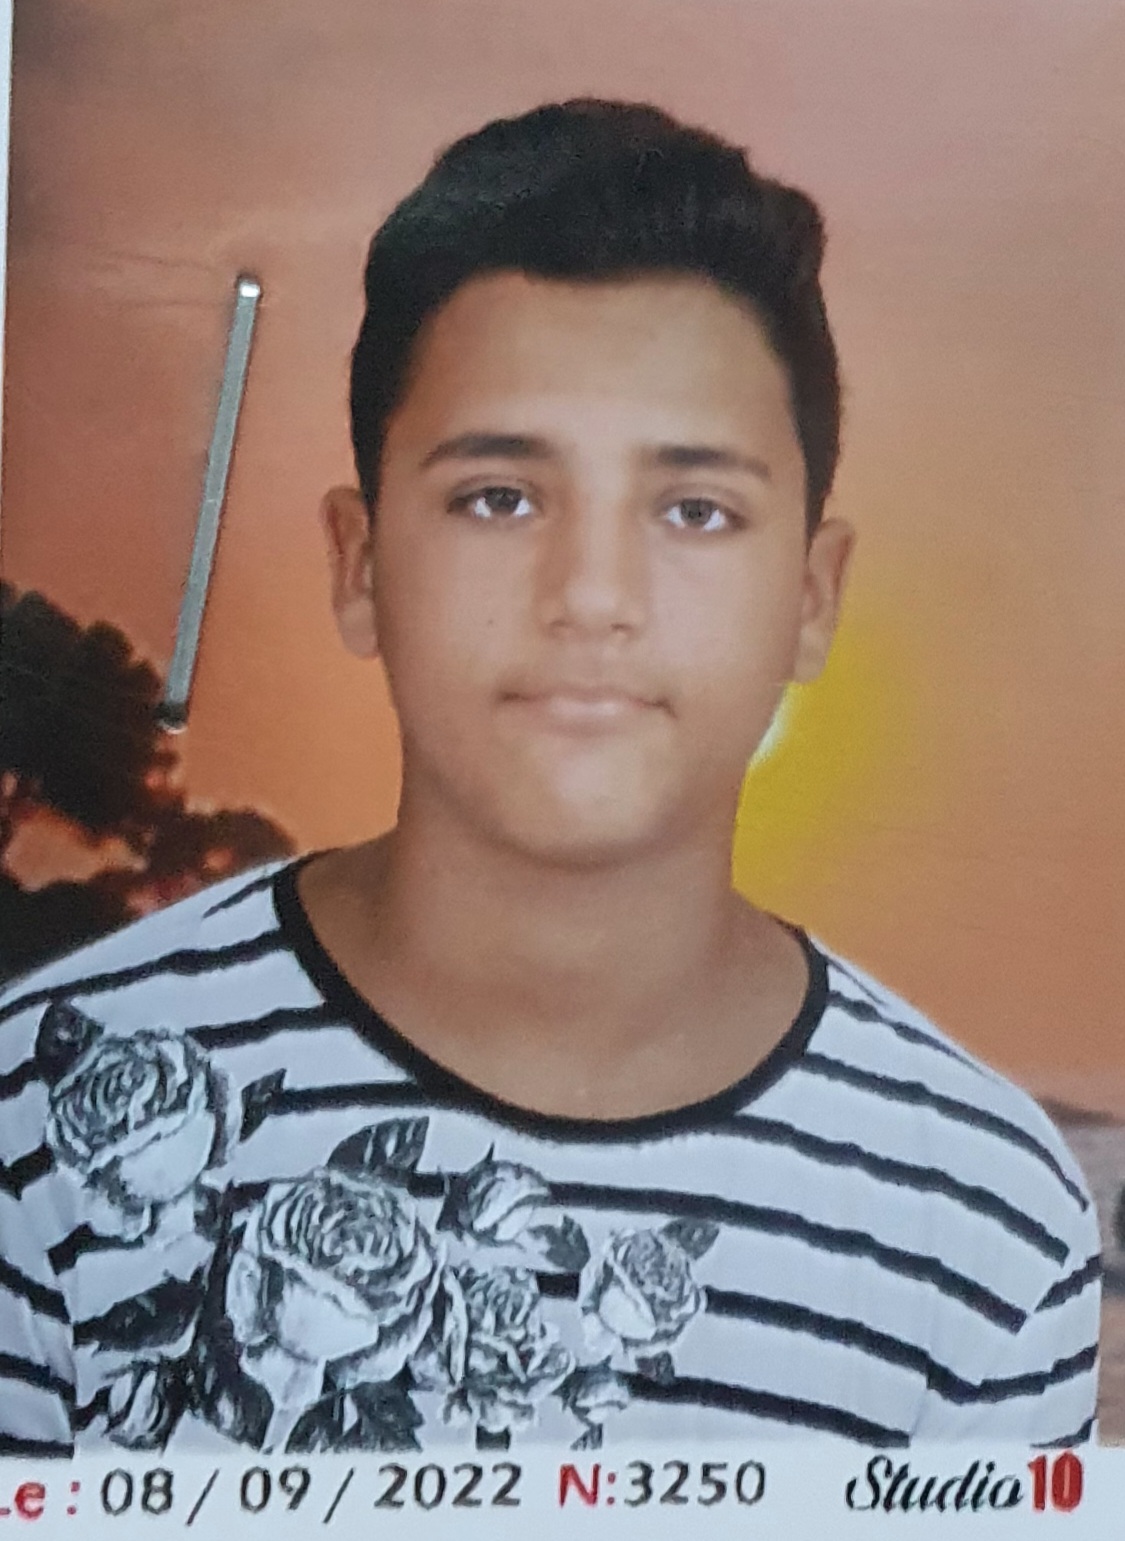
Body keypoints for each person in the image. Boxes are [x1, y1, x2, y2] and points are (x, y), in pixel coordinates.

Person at [0, 100, 1099, 1458]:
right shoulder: (37, 1123)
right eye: (499, 497)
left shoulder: (985, 1229)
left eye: (694, 510)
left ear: (812, 599)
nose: (590, 595)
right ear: (359, 563)